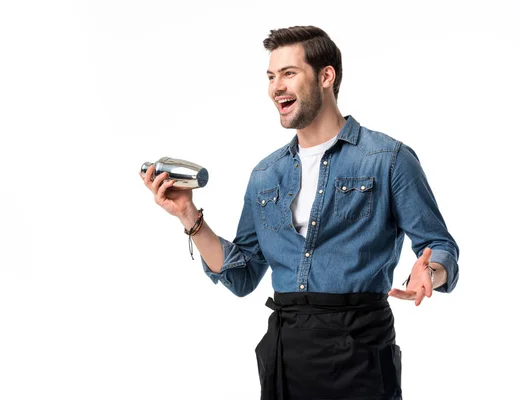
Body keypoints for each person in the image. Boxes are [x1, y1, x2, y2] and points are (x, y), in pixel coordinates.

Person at [140, 25, 459, 400]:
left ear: (326, 76)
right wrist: (189, 216)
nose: (276, 87)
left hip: (361, 357)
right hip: (286, 359)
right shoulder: (265, 174)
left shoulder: (388, 160)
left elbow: (439, 245)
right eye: (271, 76)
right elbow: (242, 275)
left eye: (289, 73)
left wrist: (431, 273)